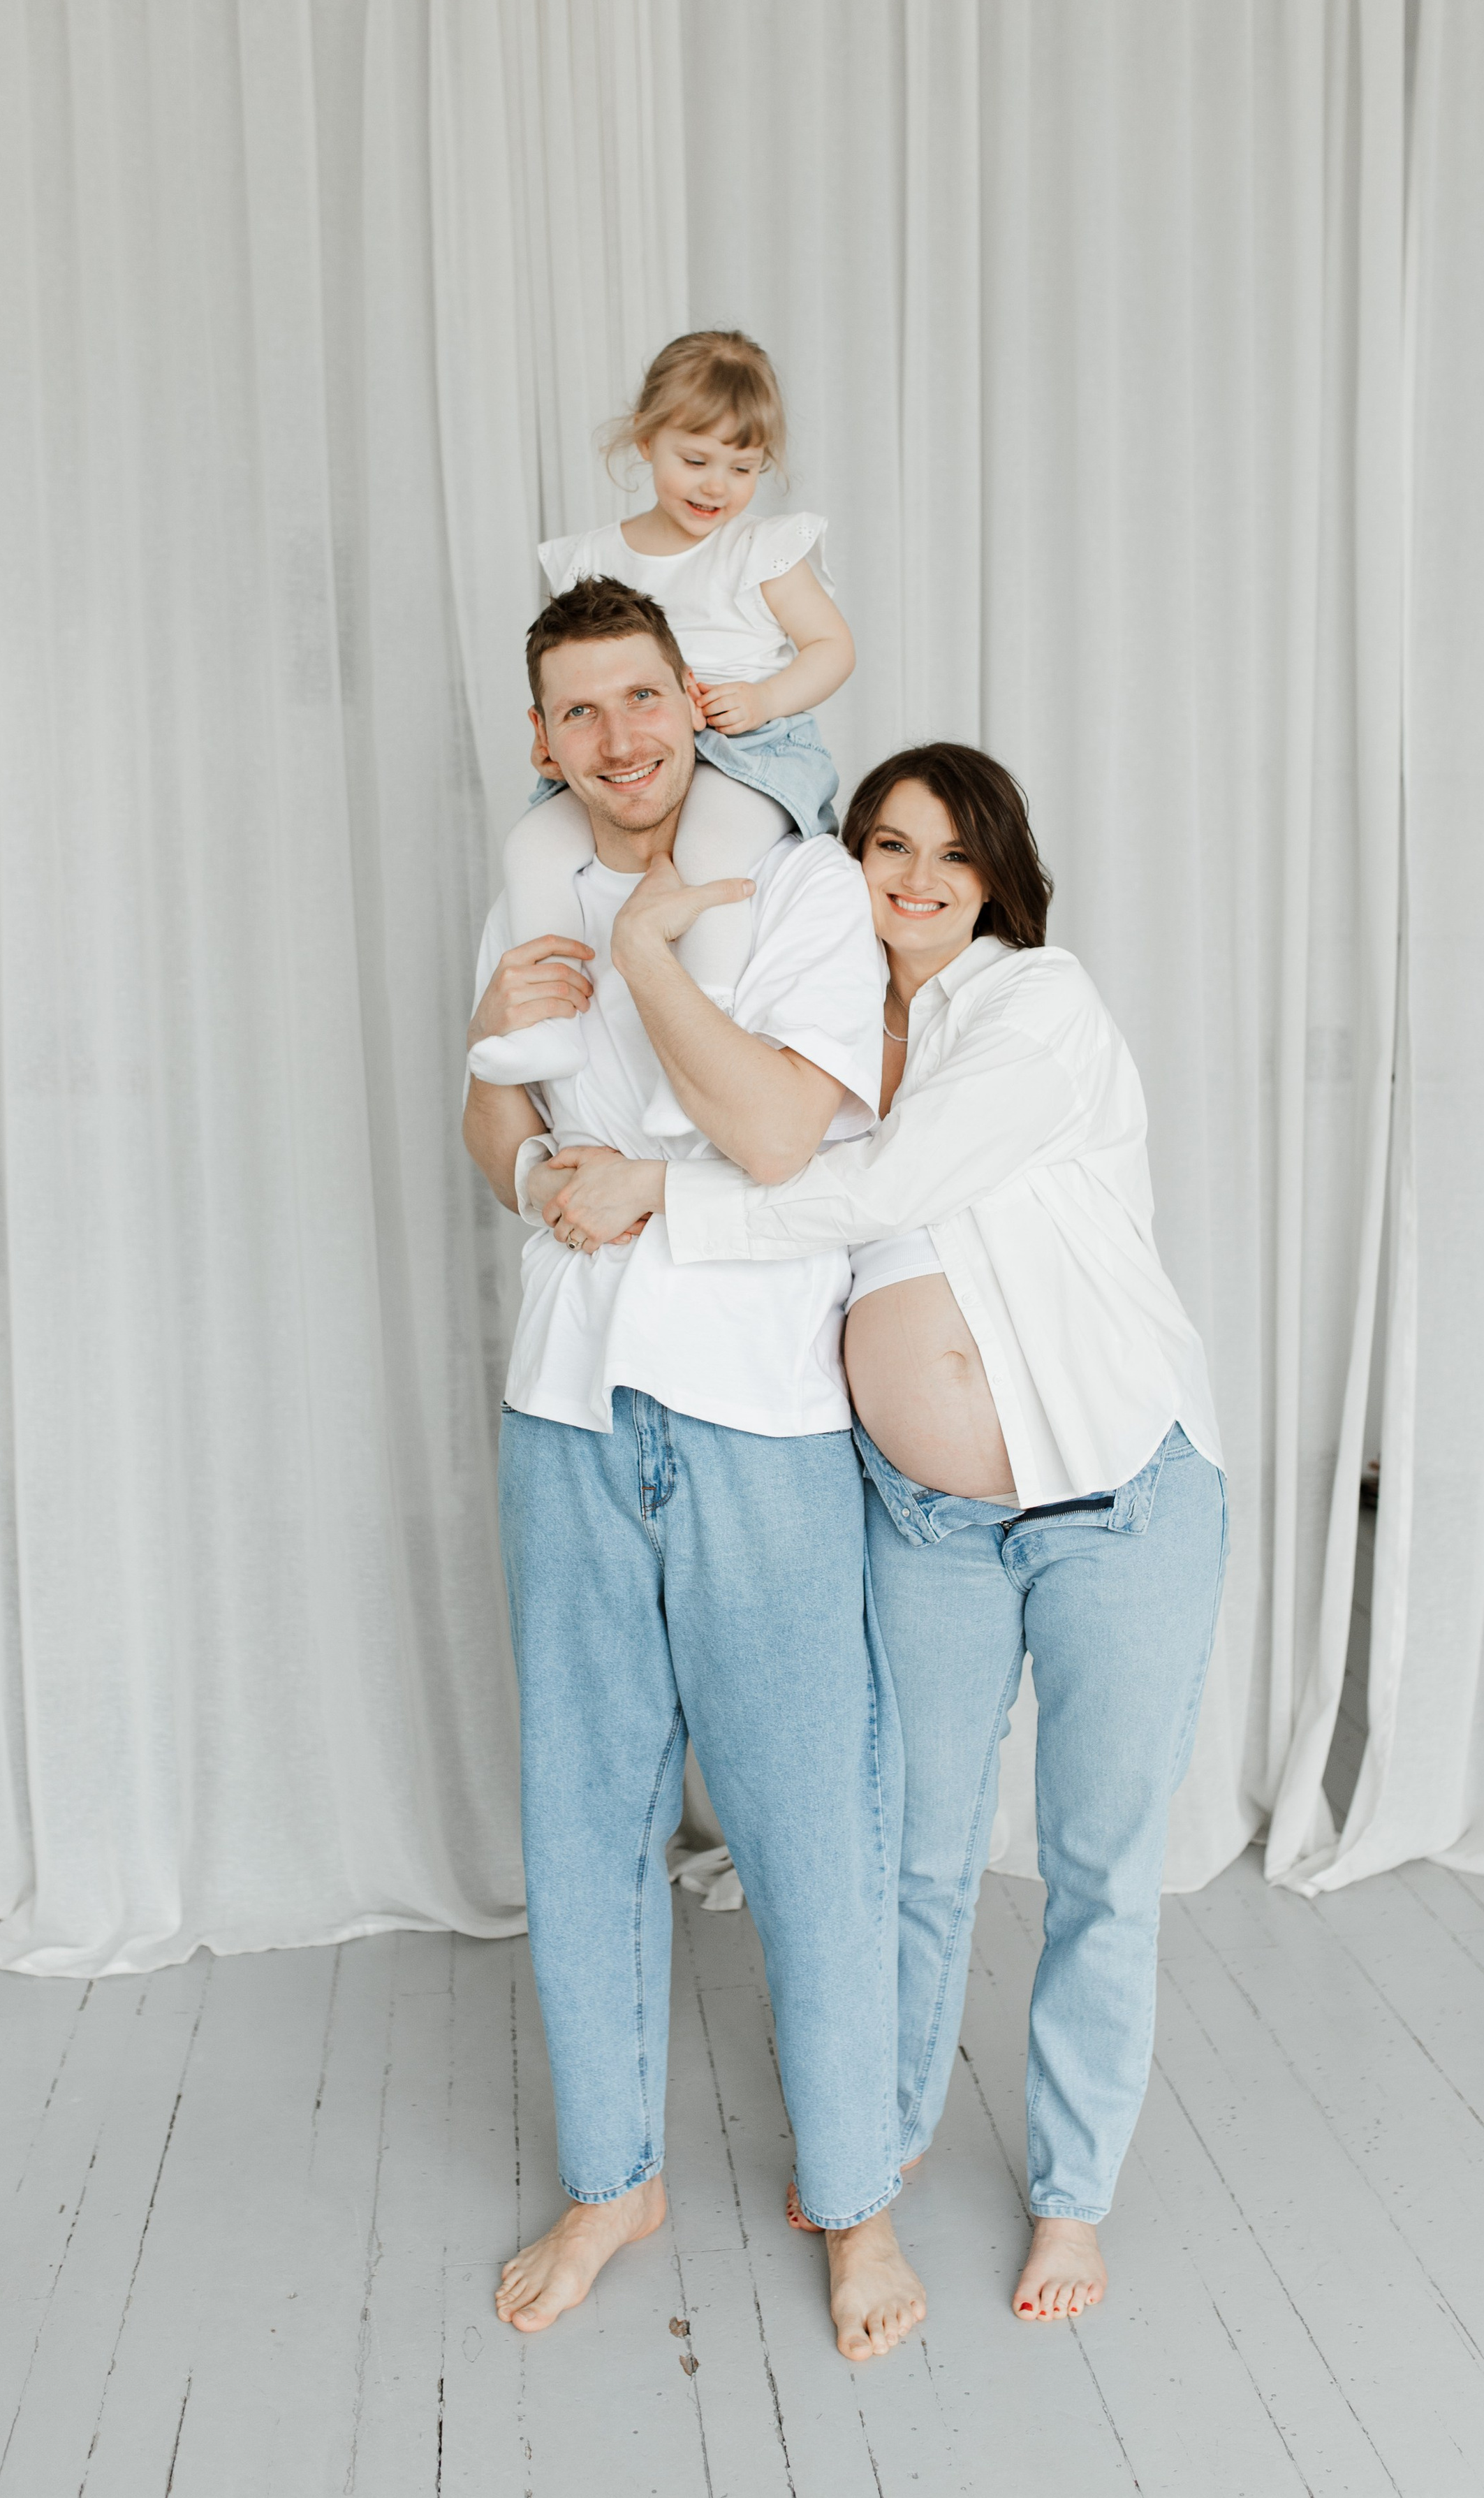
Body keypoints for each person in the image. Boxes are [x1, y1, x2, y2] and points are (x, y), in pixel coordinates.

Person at [536, 743, 1228, 2328]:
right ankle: (886, 2142)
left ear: (997, 879)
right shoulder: (827, 1040)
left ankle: (1069, 2197)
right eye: (884, 846)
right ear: (840, 865)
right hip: (925, 1522)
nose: (916, 878)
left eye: (951, 852)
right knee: (911, 1851)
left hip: (1117, 1501)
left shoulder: (1034, 1005)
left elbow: (889, 1185)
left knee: (1098, 1865)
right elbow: (756, 1145)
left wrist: (663, 1196)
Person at [462, 572, 927, 2363]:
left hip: (754, 1412)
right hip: (565, 1403)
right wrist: (527, 1165)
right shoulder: (528, 879)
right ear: (541, 735)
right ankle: (614, 2177)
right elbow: (494, 1104)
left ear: (694, 700)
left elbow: (777, 1131)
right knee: (583, 1810)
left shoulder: (798, 882)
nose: (619, 736)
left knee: (809, 1814)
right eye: (579, 710)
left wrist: (651, 960)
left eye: (642, 696)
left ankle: (855, 2196)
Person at [469, 329, 854, 1096]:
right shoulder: (591, 558)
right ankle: (549, 1025)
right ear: (645, 441)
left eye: (743, 468)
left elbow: (831, 648)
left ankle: (707, 1029)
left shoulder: (759, 550)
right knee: (532, 846)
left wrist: (764, 698)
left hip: (747, 749)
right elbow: (571, 666)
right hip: (637, 752)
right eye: (696, 460)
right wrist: (564, 735)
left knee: (710, 851)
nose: (717, 487)